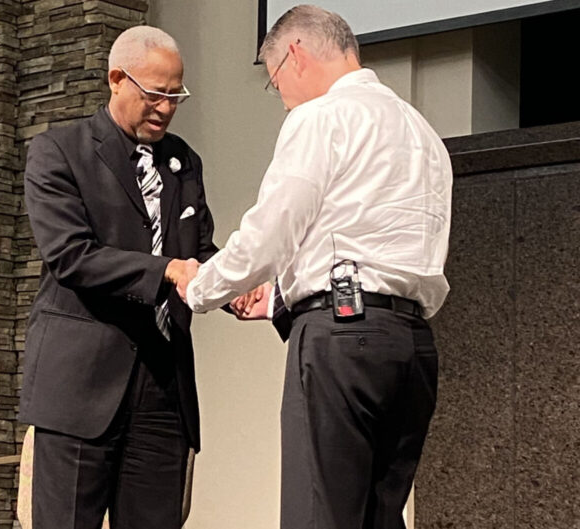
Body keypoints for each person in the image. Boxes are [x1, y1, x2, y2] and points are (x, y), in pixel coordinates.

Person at [179, 6, 452, 529]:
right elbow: (371, 237)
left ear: (295, 55)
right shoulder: (422, 133)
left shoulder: (321, 117)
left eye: (274, 79)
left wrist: (201, 287)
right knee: (380, 518)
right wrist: (280, 296)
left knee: (318, 517)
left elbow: (273, 229)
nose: (280, 96)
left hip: (341, 342)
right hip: (412, 347)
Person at [20, 25, 216, 529]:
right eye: (154, 94)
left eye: (176, 96)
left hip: (163, 387)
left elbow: (198, 253)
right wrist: (167, 270)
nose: (166, 108)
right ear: (116, 79)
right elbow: (71, 255)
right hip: (81, 388)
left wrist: (241, 283)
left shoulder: (183, 162)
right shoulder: (58, 151)